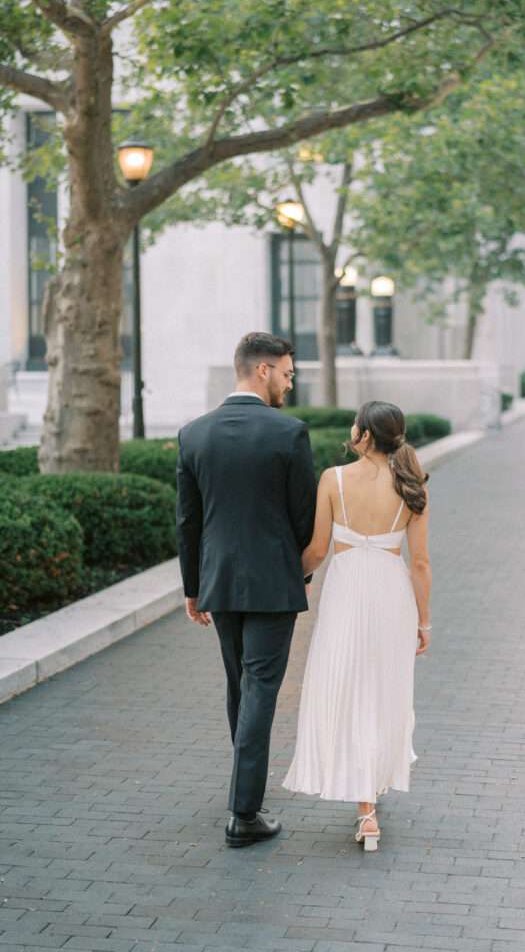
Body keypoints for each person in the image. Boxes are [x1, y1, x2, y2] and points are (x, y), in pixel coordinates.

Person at [176, 331, 317, 848]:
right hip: (273, 584)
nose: (289, 382)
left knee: (240, 685)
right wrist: (298, 573)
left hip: (218, 581)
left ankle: (244, 791)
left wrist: (193, 587)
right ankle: (244, 812)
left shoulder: (194, 434)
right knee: (259, 689)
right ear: (262, 371)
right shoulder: (290, 434)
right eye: (286, 373)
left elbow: (187, 522)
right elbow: (305, 517)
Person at [283, 400, 432, 851]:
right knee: (383, 689)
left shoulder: (333, 478)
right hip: (392, 594)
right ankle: (371, 789)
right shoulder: (411, 484)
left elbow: (316, 550)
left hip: (345, 592)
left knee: (348, 686)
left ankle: (366, 806)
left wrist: (294, 579)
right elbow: (420, 562)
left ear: (364, 434)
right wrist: (425, 621)